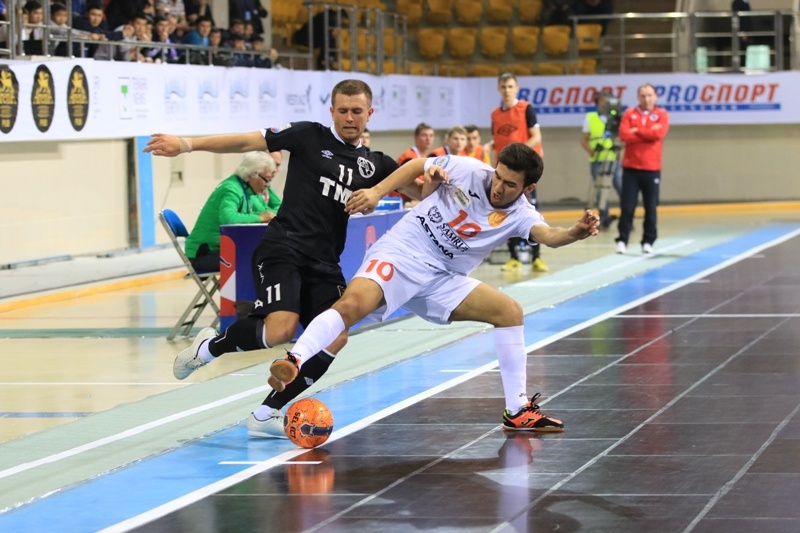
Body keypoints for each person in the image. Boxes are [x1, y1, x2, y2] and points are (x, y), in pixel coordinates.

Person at [144, 79, 420, 439]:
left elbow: (419, 186)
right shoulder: (308, 135)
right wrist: (187, 144)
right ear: (332, 111)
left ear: (370, 113)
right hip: (284, 247)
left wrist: (440, 174)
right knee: (281, 330)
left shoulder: (375, 164)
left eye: (357, 111)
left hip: (325, 263)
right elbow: (247, 141)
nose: (350, 118)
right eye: (342, 110)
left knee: (335, 338)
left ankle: (264, 414)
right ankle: (209, 348)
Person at [267, 144, 600, 432]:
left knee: (510, 312)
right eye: (498, 176)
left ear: (528, 188)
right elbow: (417, 165)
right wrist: (377, 192)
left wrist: (574, 233)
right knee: (352, 306)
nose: (498, 187)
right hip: (402, 253)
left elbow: (549, 236)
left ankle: (517, 411)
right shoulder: (468, 169)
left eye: (510, 184)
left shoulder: (521, 214)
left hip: (443, 278)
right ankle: (295, 358)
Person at [488, 72, 548, 273]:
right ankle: (514, 257)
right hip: (504, 173)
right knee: (505, 211)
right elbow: (498, 140)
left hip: (523, 172)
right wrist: (490, 148)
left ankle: (536, 257)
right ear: (498, 89)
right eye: (503, 87)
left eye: (510, 86)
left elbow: (536, 136)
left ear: (516, 88)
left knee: (530, 210)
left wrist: (518, 154)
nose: (507, 90)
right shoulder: (495, 114)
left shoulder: (526, 109)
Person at [184, 151, 280, 273]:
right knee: (260, 260)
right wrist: (261, 217)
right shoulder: (231, 189)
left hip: (220, 250)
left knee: (266, 256)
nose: (267, 185)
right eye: (266, 180)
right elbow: (228, 218)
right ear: (251, 174)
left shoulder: (246, 190)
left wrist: (264, 215)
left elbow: (273, 209)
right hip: (204, 254)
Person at [615, 83, 669, 255]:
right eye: (643, 96)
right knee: (627, 207)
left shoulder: (661, 114)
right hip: (630, 168)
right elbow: (624, 135)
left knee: (651, 207)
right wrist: (646, 132)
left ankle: (648, 241)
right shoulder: (629, 113)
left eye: (650, 95)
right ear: (638, 97)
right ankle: (622, 240)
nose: (647, 99)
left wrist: (636, 130)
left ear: (655, 97)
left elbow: (658, 134)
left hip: (651, 168)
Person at [580, 91, 623, 229]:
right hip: (597, 158)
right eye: (602, 100)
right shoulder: (591, 117)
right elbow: (584, 139)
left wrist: (619, 152)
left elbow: (622, 137)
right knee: (599, 190)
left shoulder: (616, 118)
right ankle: (603, 216)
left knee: (620, 186)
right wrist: (591, 151)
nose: (605, 103)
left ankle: (627, 215)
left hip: (613, 158)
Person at [393, 122, 435, 208]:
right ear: (416, 137)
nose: (428, 139)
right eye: (424, 135)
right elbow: (408, 186)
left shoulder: (424, 156)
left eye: (431, 136)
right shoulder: (409, 157)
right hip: (400, 201)